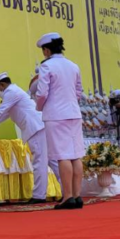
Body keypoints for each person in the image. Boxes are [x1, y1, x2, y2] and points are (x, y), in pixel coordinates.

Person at [0, 72, 50, 204]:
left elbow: (0, 111)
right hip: (38, 127)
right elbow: (4, 115)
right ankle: (67, 192)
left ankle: (39, 195)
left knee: (39, 162)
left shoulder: (11, 92)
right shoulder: (13, 92)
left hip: (35, 128)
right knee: (51, 160)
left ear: (2, 85)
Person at [33, 32, 85, 210]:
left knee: (62, 155)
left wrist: (39, 107)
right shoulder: (73, 65)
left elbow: (41, 93)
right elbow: (79, 91)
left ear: (46, 50)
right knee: (75, 155)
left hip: (56, 114)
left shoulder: (46, 66)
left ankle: (68, 196)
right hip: (73, 113)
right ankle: (77, 195)